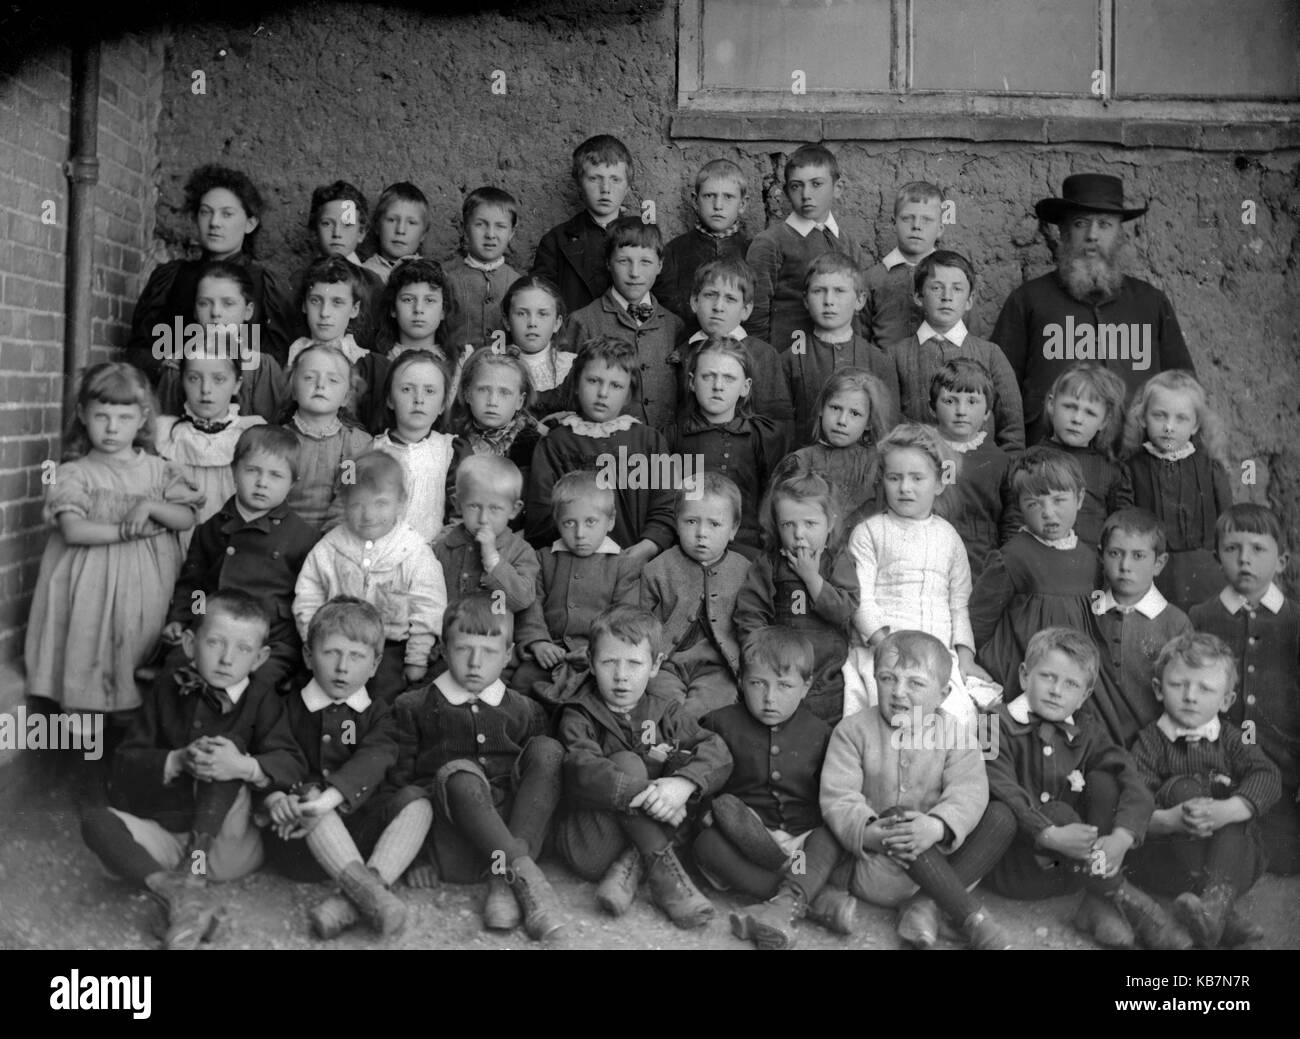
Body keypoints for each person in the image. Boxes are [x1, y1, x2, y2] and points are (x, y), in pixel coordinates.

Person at [79, 592, 306, 949]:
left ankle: (191, 878)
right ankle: (178, 894)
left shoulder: (263, 698)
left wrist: (244, 766)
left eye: (243, 649)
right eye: (215, 642)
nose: (227, 659)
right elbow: (125, 761)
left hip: (227, 845)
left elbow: (292, 763)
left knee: (224, 749)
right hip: (169, 841)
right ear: (189, 643)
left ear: (261, 657)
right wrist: (176, 760)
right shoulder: (167, 687)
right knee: (96, 821)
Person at [984, 627, 1190, 950]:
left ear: (1084, 694)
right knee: (1056, 811)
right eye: (1048, 677)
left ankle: (1096, 902)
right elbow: (1001, 789)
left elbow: (1131, 779)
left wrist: (1123, 835)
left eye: (1071, 684)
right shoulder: (993, 723)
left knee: (1105, 781)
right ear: (1025, 676)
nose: (1056, 691)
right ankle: (1129, 901)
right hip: (1019, 869)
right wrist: (1048, 833)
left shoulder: (1086, 727)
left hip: (1073, 869)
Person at [386, 595, 567, 940]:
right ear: (442, 648)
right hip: (454, 838)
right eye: (463, 649)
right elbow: (400, 785)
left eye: (488, 652)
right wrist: (415, 855)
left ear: (508, 654)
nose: (474, 663)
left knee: (548, 750)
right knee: (460, 772)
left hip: (514, 829)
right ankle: (526, 879)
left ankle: (506, 880)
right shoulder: (413, 706)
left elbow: (539, 785)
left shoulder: (525, 709)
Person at [25, 362, 202, 714]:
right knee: (90, 652)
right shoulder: (74, 474)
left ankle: (128, 741)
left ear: (142, 418)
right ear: (82, 415)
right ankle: (83, 745)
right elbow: (73, 529)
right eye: (102, 416)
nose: (111, 428)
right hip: (88, 584)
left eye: (123, 418)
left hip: (148, 588)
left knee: (135, 654)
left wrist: (150, 506)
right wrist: (125, 530)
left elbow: (187, 516)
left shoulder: (160, 470)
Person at [820, 630, 1014, 950]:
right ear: (874, 680)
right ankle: (970, 916)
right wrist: (869, 832)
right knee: (899, 817)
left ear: (943, 693)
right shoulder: (853, 731)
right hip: (879, 863)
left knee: (1002, 816)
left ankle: (924, 904)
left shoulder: (956, 733)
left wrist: (938, 826)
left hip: (946, 865)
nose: (898, 692)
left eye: (915, 683)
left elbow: (969, 791)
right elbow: (839, 795)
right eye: (887, 678)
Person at [553, 606, 730, 929]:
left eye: (634, 663)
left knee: (685, 768)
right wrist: (651, 792)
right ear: (591, 662)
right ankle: (666, 878)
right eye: (609, 662)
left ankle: (630, 869)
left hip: (642, 837)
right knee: (628, 763)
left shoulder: (665, 710)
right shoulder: (578, 713)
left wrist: (682, 785)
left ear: (655, 665)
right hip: (592, 844)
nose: (621, 675)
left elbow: (717, 751)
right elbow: (582, 768)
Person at [264, 598, 431, 939]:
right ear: (309, 656)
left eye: (356, 657)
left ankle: (348, 903)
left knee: (419, 802)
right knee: (311, 798)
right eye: (331, 653)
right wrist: (281, 797)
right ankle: (373, 898)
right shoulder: (288, 707)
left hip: (363, 839)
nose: (343, 667)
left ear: (374, 665)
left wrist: (330, 798)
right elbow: (276, 753)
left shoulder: (379, 714)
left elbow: (377, 756)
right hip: (303, 842)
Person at [991, 173, 1196, 436]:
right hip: (1051, 462)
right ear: (1064, 233)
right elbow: (998, 390)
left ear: (1120, 235)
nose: (1092, 235)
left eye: (1105, 224)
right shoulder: (1028, 300)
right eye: (1080, 223)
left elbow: (1184, 388)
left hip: (1135, 463)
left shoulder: (1151, 303)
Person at [696, 627, 857, 949]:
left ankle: (784, 903)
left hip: (800, 844)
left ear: (806, 686)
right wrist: (707, 814)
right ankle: (810, 901)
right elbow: (702, 780)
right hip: (744, 841)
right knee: (705, 843)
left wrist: (803, 833)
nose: (770, 698)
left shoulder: (821, 733)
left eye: (785, 686)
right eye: (758, 683)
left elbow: (832, 795)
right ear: (741, 680)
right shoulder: (718, 723)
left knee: (830, 835)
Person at [1129, 632, 1280, 948]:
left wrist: (1229, 809)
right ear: (1158, 689)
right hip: (1169, 861)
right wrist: (1169, 819)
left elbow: (1267, 773)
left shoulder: (1234, 738)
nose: (1190, 696)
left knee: (1233, 799)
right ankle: (1220, 917)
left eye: (1205, 688)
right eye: (1178, 685)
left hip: (1235, 861)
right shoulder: (1149, 742)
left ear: (1226, 700)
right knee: (1183, 789)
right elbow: (1133, 799)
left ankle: (1215, 906)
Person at [842, 423, 992, 719]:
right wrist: (885, 647)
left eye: (917, 478)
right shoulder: (869, 532)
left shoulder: (949, 537)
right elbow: (860, 598)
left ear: (937, 483)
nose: (905, 488)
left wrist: (965, 657)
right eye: (894, 478)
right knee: (881, 713)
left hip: (936, 656)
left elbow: (959, 604)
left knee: (959, 717)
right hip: (883, 649)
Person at [163, 425, 321, 691]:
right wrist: (185, 620)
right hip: (215, 633)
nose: (262, 483)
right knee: (176, 672)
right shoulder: (210, 529)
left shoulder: (303, 538)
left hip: (271, 639)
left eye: (276, 475)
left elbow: (309, 599)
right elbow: (196, 588)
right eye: (252, 471)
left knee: (258, 686)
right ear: (233, 470)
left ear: (292, 483)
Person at [1189, 504, 1300, 875]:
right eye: (1233, 549)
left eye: (1258, 549)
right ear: (1217, 557)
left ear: (1281, 561)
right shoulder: (1201, 617)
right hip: (1220, 763)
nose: (1244, 560)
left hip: (1282, 767)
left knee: (1285, 857)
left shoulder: (1295, 620)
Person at [293, 451, 447, 703]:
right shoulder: (330, 547)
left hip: (392, 647)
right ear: (344, 503)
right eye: (357, 505)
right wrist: (313, 643)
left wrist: (417, 657)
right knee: (310, 691)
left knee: (384, 697)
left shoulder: (412, 550)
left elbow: (429, 606)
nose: (368, 515)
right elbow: (308, 595)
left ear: (401, 502)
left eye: (381, 503)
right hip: (336, 642)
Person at [127, 163, 296, 376]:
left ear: (250, 223)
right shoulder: (171, 278)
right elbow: (137, 353)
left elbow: (276, 365)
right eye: (206, 213)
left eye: (227, 214)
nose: (214, 223)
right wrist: (164, 364)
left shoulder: (267, 285)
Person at [524, 336, 675, 563]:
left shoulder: (649, 441)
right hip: (570, 566)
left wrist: (648, 546)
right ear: (576, 384)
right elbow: (541, 516)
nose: (603, 393)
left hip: (635, 565)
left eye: (616, 385)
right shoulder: (556, 443)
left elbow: (667, 505)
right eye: (593, 381)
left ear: (629, 394)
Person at [972, 447, 1101, 702]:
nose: (1048, 513)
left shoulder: (1089, 559)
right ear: (1019, 506)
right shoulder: (1013, 557)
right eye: (1033, 504)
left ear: (1080, 498)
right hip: (1020, 674)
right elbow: (979, 621)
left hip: (1070, 675)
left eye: (1059, 500)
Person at [735, 464, 858, 724]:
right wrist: (761, 651)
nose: (799, 534)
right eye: (788, 525)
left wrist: (812, 578)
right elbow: (750, 612)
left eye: (810, 524)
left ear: (830, 523)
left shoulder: (837, 560)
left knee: (823, 718)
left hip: (826, 665)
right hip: (780, 662)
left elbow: (845, 610)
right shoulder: (768, 563)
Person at [510, 470, 640, 706]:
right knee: (521, 687)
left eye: (591, 522)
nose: (580, 534)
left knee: (589, 701)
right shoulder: (543, 559)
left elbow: (624, 617)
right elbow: (531, 603)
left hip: (596, 658)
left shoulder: (623, 565)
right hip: (548, 653)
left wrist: (597, 649)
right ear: (557, 521)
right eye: (569, 523)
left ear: (610, 521)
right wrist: (537, 641)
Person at [888, 250, 1024, 452]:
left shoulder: (991, 354)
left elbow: (1012, 430)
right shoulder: (896, 355)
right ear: (918, 296)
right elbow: (887, 422)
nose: (947, 297)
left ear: (969, 300)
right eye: (936, 288)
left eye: (957, 289)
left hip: (979, 472)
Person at [641, 474, 752, 719]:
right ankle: (670, 743)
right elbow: (639, 622)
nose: (702, 533)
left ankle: (691, 744)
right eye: (691, 521)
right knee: (661, 702)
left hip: (719, 667)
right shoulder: (657, 568)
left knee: (713, 705)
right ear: (676, 522)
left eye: (715, 524)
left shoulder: (745, 571)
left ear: (733, 529)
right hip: (666, 664)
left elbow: (752, 623)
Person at [558, 216, 684, 430]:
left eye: (645, 262)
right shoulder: (582, 322)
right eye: (624, 261)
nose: (635, 273)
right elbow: (567, 396)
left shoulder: (675, 326)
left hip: (663, 450)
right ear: (608, 262)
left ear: (660, 265)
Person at [1122, 369, 1233, 612]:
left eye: (1181, 418)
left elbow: (1228, 521)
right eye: (1159, 416)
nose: (1169, 427)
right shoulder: (1131, 468)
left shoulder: (1211, 466)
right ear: (1142, 418)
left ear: (1195, 425)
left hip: (1206, 574)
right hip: (1153, 574)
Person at [665, 337, 785, 560]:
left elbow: (772, 500)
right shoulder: (674, 436)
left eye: (729, 378)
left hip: (744, 547)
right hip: (687, 547)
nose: (717, 386)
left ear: (745, 387)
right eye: (708, 376)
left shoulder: (760, 435)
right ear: (691, 382)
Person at [1085, 508, 1193, 748]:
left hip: (1156, 747)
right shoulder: (1087, 613)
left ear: (1159, 563)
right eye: (1115, 553)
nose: (1125, 565)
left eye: (1138, 556)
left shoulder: (1175, 623)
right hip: (1094, 745)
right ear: (1101, 557)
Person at [745, 143, 867, 354]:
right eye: (796, 186)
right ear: (785, 192)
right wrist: (765, 362)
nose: (806, 194)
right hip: (789, 357)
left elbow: (859, 312)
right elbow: (755, 313)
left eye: (816, 184)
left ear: (838, 188)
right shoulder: (771, 241)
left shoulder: (849, 243)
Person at [152, 344, 265, 549]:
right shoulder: (167, 434)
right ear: (182, 381)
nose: (205, 389)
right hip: (178, 540)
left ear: (237, 384)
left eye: (219, 379)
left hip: (234, 542)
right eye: (194, 378)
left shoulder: (249, 433)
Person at [782, 253, 898, 440]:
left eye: (839, 291)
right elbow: (782, 429)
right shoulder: (790, 360)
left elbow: (887, 429)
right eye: (819, 291)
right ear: (805, 300)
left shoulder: (879, 362)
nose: (828, 301)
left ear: (860, 300)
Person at [677, 257, 795, 442]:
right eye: (710, 295)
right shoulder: (682, 352)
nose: (718, 307)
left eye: (730, 299)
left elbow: (778, 422)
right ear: (694, 301)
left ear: (745, 310)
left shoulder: (763, 355)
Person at [929, 359, 1016, 580]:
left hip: (980, 558)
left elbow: (1011, 519)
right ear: (932, 407)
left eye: (972, 401)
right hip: (929, 553)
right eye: (950, 401)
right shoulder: (922, 452)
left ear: (987, 411)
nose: (961, 411)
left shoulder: (999, 460)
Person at [369, 349, 464, 544]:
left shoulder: (452, 450)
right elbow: (349, 499)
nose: (418, 399)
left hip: (432, 557)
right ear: (389, 399)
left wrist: (436, 550)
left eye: (429, 391)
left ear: (442, 405)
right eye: (406, 389)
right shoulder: (369, 449)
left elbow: (461, 513)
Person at [531, 134, 633, 314]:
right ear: (579, 184)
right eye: (595, 178)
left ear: (627, 187)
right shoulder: (556, 241)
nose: (606, 189)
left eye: (615, 179)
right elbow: (541, 304)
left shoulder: (642, 238)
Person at [778, 367, 891, 521]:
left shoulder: (878, 464)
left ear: (869, 423)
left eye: (855, 413)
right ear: (821, 409)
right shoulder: (800, 461)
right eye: (836, 408)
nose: (842, 421)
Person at [433, 455, 538, 620]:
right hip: (448, 638)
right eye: (474, 506)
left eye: (495, 508)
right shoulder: (442, 545)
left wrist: (492, 559)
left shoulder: (520, 551)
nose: (483, 519)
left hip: (493, 640)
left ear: (514, 510)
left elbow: (522, 600)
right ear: (458, 504)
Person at [280, 344, 373, 529]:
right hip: (281, 535)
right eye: (309, 377)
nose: (320, 385)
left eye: (333, 380)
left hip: (334, 537)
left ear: (346, 397)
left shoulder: (354, 445)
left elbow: (348, 496)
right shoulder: (277, 440)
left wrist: (327, 542)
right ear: (293, 390)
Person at [1041, 362, 1134, 547]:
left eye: (1090, 413)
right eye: (1069, 406)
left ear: (1104, 421)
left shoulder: (1111, 470)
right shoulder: (1030, 460)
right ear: (1052, 405)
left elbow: (1121, 531)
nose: (1077, 419)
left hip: (1090, 567)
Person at [656, 158, 752, 327]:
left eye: (728, 197)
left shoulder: (753, 250)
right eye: (709, 196)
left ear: (742, 204)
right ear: (695, 201)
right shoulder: (674, 251)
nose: (718, 205)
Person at [447, 347, 544, 501]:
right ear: (467, 394)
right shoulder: (450, 441)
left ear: (520, 401)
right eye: (483, 390)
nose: (492, 402)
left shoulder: (535, 446)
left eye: (504, 392)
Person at [861, 181, 944, 348]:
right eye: (907, 218)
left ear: (940, 229)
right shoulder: (873, 279)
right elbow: (860, 339)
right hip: (883, 370)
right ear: (894, 223)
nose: (917, 226)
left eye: (927, 220)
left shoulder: (954, 277)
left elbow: (970, 335)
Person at [441, 186, 523, 351]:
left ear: (512, 233)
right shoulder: (448, 280)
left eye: (500, 226)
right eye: (480, 224)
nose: (490, 234)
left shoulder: (519, 283)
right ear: (465, 229)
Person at [501, 274, 574, 397]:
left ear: (557, 323)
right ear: (507, 321)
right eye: (522, 314)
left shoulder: (573, 366)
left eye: (542, 314)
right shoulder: (494, 366)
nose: (532, 323)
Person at [361, 181, 430, 283]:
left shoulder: (432, 275)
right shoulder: (363, 275)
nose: (400, 230)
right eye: (392, 220)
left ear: (424, 233)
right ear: (377, 225)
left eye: (411, 223)